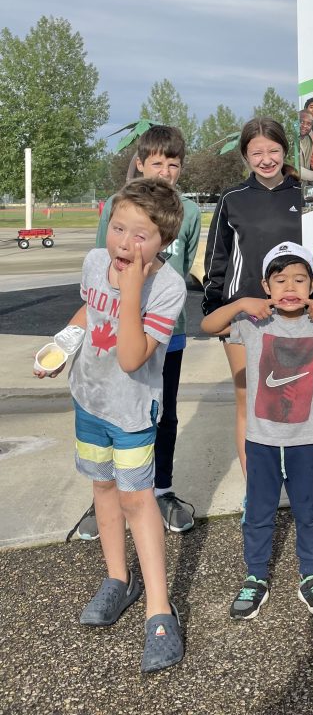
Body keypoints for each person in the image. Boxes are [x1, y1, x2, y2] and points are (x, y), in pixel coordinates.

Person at [36, 179, 187, 673]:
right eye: (118, 228)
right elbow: (89, 309)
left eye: (140, 235)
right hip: (89, 401)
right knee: (102, 487)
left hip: (131, 412)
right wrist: (63, 344)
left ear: (164, 240)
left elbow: (130, 358)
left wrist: (132, 289)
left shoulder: (166, 288)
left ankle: (159, 608)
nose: (124, 243)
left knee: (137, 500)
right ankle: (118, 579)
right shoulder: (93, 262)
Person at [201, 242, 313, 620]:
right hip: (261, 439)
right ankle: (255, 575)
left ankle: (310, 573)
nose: (290, 287)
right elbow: (208, 325)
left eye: (300, 279)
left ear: (311, 284)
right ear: (266, 287)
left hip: (306, 440)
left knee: (308, 510)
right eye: (280, 280)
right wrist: (241, 303)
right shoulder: (253, 323)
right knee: (258, 510)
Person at [67, 125, 201, 542]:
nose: (165, 171)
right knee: (110, 413)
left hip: (164, 332)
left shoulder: (189, 212)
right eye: (157, 163)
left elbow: (182, 266)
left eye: (173, 164)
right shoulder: (117, 205)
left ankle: (160, 490)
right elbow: (103, 267)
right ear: (140, 164)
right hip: (113, 329)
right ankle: (104, 497)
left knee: (162, 414)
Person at [203, 118, 301, 477]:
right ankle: (256, 489)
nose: (266, 159)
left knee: (292, 399)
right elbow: (217, 258)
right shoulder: (233, 198)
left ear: (285, 150)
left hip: (296, 313)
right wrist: (216, 309)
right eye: (257, 153)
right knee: (249, 399)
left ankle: (295, 483)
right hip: (244, 314)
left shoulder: (305, 195)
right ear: (245, 156)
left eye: (273, 150)